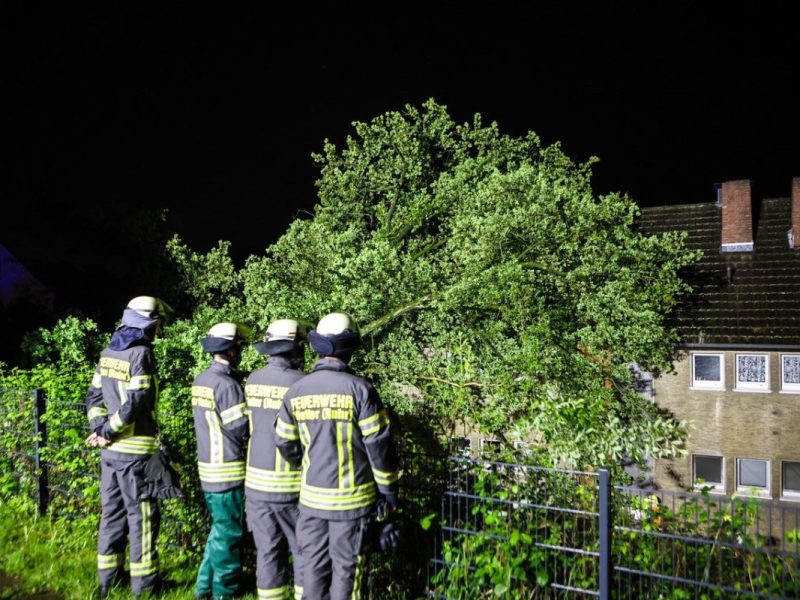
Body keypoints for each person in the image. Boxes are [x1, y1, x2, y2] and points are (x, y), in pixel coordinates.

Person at [275, 312, 400, 600]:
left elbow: (284, 442)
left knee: (313, 575)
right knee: (347, 575)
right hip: (352, 507)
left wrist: (307, 466)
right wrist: (389, 492)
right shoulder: (361, 390)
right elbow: (379, 448)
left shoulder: (296, 391)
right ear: (349, 348)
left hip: (310, 504)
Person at [85, 295, 168, 598]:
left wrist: (99, 430)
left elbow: (93, 397)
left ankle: (108, 582)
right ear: (151, 322)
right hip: (135, 452)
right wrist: (108, 430)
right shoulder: (141, 353)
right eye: (159, 322)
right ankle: (144, 587)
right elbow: (135, 401)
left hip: (110, 454)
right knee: (142, 518)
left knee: (111, 515)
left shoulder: (108, 351)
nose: (160, 328)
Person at [245, 319, 308, 600]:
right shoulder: (302, 384)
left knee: (268, 552)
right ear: (294, 349)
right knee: (304, 551)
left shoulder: (252, 380)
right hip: (291, 485)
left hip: (256, 485)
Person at [192, 322, 251, 600]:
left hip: (207, 469)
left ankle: (203, 588)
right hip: (227, 472)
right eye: (238, 346)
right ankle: (224, 593)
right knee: (228, 537)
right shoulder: (228, 385)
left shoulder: (201, 380)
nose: (240, 351)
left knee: (218, 532)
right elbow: (241, 428)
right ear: (229, 349)